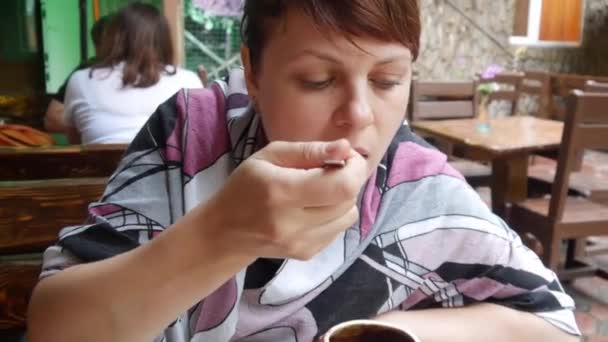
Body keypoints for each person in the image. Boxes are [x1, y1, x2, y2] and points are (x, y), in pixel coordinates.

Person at [27, 1, 580, 341]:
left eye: (388, 80)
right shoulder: (193, 135)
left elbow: (553, 323)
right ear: (254, 72)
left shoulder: (415, 182)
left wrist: (376, 333)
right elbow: (56, 330)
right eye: (318, 79)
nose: (361, 115)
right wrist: (222, 235)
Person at [62, 3, 202, 144]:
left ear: (112, 38)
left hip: (104, 166)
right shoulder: (188, 81)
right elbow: (200, 140)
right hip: (170, 165)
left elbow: (74, 141)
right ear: (164, 39)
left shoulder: (81, 80)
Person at [43, 16, 110, 134]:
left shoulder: (148, 71)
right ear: (97, 47)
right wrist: (94, 126)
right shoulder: (85, 73)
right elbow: (52, 119)